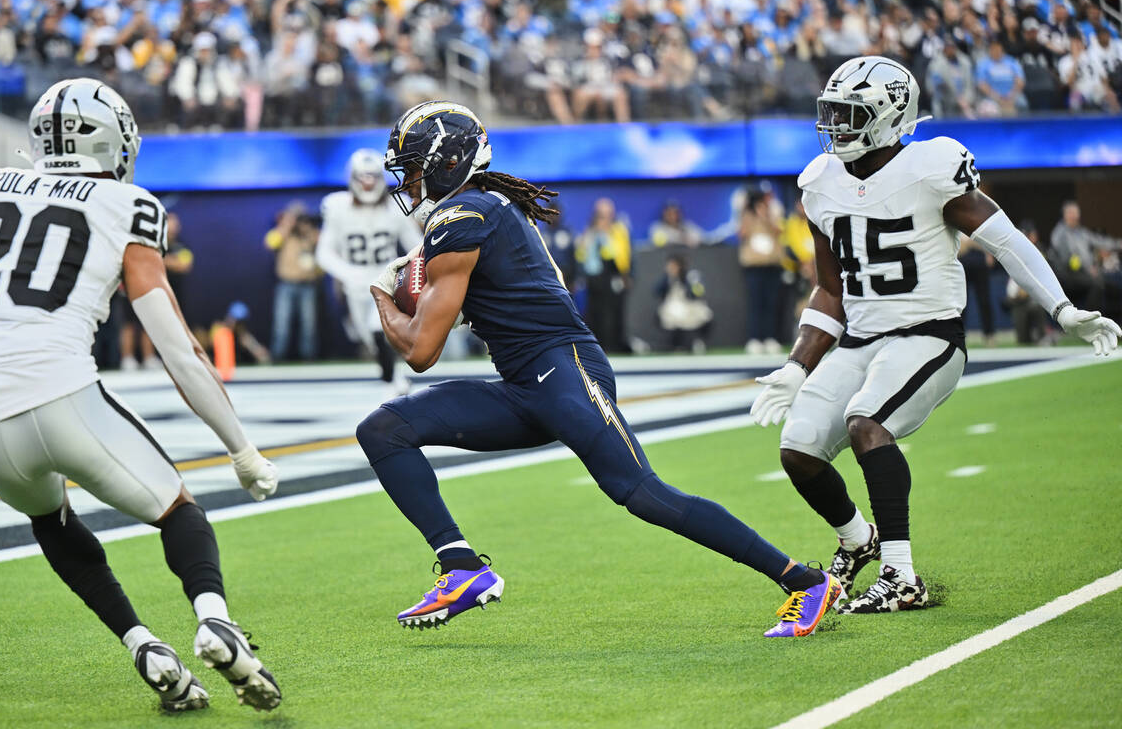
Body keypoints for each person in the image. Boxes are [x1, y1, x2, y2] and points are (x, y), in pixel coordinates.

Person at [357, 101, 843, 640]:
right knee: (384, 428)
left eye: (416, 166)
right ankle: (462, 567)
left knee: (641, 492)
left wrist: (380, 294)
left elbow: (421, 351)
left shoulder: (464, 216)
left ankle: (805, 580)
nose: (410, 181)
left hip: (562, 371)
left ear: (448, 161)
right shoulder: (484, 208)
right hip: (526, 381)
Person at [0, 79, 282, 711]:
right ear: (115, 141)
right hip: (62, 396)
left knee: (52, 521)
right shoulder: (128, 204)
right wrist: (242, 449)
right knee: (178, 510)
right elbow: (179, 351)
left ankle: (142, 643)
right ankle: (215, 620)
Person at [750, 56, 1120, 613]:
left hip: (929, 334)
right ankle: (859, 541)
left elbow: (1006, 241)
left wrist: (1063, 309)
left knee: (867, 422)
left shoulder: (930, 167)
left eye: (851, 116)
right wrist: (796, 367)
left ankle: (902, 576)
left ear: (889, 117)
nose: (836, 127)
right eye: (832, 114)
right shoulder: (819, 185)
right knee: (798, 449)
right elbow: (830, 293)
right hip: (863, 338)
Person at [315, 148, 422, 395]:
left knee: (380, 329)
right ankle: (392, 377)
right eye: (363, 177)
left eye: (372, 176)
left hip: (385, 276)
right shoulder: (337, 206)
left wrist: (405, 274)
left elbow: (416, 246)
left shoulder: (395, 208)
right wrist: (348, 273)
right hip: (355, 281)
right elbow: (324, 252)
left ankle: (396, 381)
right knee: (369, 338)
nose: (368, 183)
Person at [265, 201, 320, 361]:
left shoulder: (310, 233)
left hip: (308, 285)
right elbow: (270, 243)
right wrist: (288, 223)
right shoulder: (283, 234)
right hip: (286, 284)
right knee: (281, 323)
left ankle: (309, 358)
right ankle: (277, 357)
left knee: (309, 325)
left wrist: (308, 228)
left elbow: (322, 243)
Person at [577, 198, 631, 353]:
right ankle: (597, 347)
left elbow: (621, 255)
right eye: (601, 215)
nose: (604, 218)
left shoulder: (618, 230)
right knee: (595, 313)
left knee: (613, 313)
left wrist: (606, 236)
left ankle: (614, 346)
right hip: (594, 280)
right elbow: (581, 255)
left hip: (613, 276)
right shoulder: (590, 232)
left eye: (607, 215)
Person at [739, 186, 785, 354]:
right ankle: (755, 338)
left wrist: (765, 216)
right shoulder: (746, 215)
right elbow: (742, 233)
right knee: (755, 303)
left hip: (772, 265)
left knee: (771, 303)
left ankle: (771, 338)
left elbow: (779, 231)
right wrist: (749, 213)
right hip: (754, 266)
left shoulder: (775, 212)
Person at [655, 255, 712, 352]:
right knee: (671, 314)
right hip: (674, 306)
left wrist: (686, 281)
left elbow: (696, 293)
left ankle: (698, 341)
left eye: (673, 266)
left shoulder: (691, 276)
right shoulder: (667, 278)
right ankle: (677, 345)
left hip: (690, 305)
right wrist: (667, 278)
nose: (670, 268)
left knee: (705, 313)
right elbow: (656, 291)